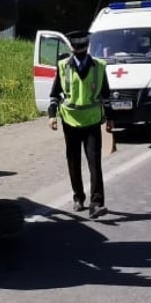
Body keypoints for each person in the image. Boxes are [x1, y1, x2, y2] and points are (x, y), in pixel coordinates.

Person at [48, 30, 112, 216]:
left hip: (92, 121)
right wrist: (52, 115)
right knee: (73, 161)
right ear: (72, 48)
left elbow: (106, 95)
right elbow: (54, 94)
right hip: (70, 121)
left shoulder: (99, 66)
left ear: (87, 47)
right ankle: (78, 197)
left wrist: (110, 119)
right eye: (76, 48)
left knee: (94, 162)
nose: (79, 50)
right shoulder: (62, 66)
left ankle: (96, 203)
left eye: (82, 47)